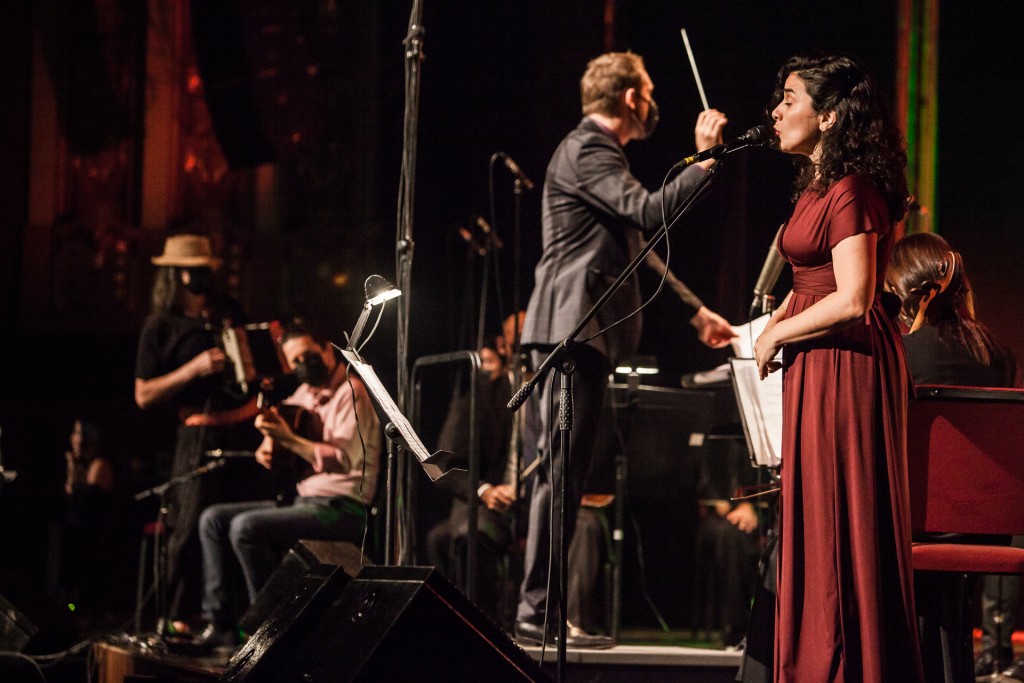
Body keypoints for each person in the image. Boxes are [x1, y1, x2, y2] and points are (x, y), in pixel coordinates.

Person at [515, 51, 734, 648]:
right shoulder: (591, 148)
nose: (653, 100)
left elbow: (639, 248)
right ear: (633, 98)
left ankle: (543, 613)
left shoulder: (596, 157)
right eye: (650, 90)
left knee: (564, 475)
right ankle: (537, 614)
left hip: (578, 336)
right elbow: (647, 210)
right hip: (569, 334)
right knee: (561, 477)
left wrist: (695, 311)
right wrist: (705, 156)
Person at [753, 54, 924, 681]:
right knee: (814, 509)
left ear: (827, 117)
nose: (776, 111)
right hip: (817, 360)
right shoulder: (818, 187)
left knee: (838, 513)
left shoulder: (850, 190)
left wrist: (777, 331)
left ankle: (846, 665)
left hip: (843, 363)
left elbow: (853, 298)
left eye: (790, 99)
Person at [195, 321, 381, 651]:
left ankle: (269, 630)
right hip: (305, 502)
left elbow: (344, 459)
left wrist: (287, 439)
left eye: (307, 356)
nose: (300, 366)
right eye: (293, 362)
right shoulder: (302, 395)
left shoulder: (353, 393)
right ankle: (220, 623)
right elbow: (280, 447)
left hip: (344, 507)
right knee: (213, 518)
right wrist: (269, 446)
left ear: (327, 349)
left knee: (246, 527)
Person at [885, 231, 1022, 679]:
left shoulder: (898, 356)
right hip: (988, 533)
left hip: (912, 527)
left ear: (909, 297)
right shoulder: (999, 356)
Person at [134, 233, 259, 631]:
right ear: (177, 273)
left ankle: (234, 619)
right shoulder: (161, 326)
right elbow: (143, 395)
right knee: (188, 529)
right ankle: (175, 618)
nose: (203, 274)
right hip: (198, 437)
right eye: (195, 269)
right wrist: (194, 369)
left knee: (240, 524)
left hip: (242, 430)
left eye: (206, 268)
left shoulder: (227, 311)